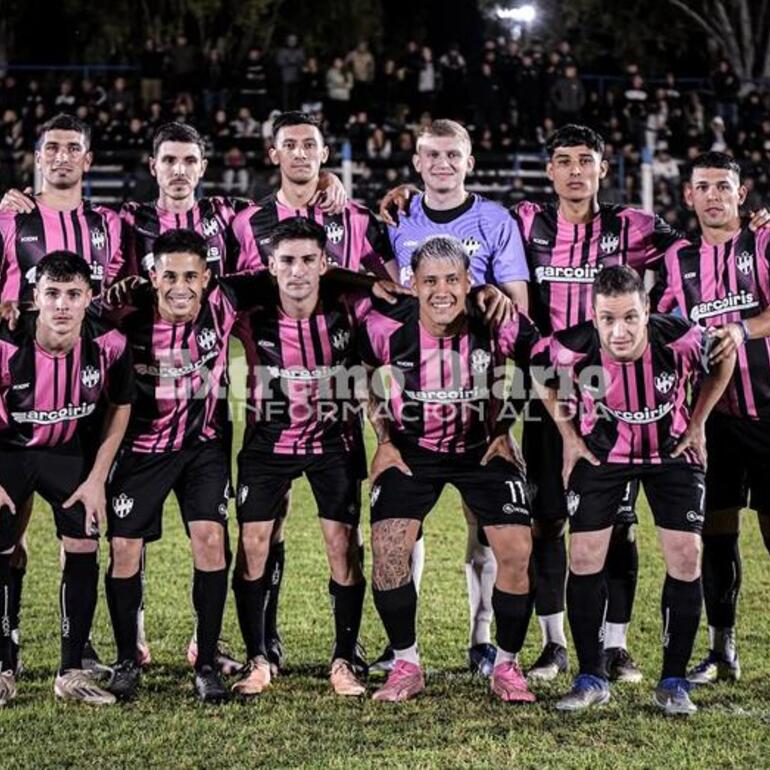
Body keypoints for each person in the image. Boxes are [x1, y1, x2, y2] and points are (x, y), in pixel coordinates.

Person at [230, 111, 398, 675]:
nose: (300, 153)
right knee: (261, 534)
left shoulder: (357, 218)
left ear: (325, 154)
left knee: (341, 541)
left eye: (311, 145)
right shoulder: (245, 223)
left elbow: (383, 285)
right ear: (272, 154)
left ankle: (345, 655)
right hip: (268, 419)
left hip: (335, 423)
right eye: (289, 145)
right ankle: (262, 647)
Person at [532, 265, 735, 715]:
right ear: (594, 316)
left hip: (671, 452)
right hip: (604, 456)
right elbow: (540, 373)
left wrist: (698, 421)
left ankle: (673, 682)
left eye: (629, 318)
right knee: (584, 557)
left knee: (686, 555)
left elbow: (725, 357)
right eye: (607, 319)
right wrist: (568, 437)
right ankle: (590, 677)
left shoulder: (680, 337)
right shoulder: (572, 346)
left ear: (647, 312)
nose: (618, 331)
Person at [376, 118, 530, 678]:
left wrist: (503, 419)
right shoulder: (397, 217)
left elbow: (516, 312)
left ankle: (482, 637)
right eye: (432, 155)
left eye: (453, 155)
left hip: (480, 400)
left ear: (469, 161)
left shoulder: (495, 219)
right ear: (417, 162)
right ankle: (404, 655)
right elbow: (388, 304)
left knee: (484, 526)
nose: (443, 164)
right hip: (418, 405)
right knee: (400, 527)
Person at [360, 235, 539, 703]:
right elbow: (357, 370)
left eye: (453, 280)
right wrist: (382, 438)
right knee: (390, 545)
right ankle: (406, 663)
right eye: (431, 281)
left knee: (518, 549)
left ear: (469, 282)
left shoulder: (496, 322)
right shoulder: (384, 327)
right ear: (413, 285)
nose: (443, 291)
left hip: (481, 449)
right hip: (411, 448)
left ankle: (506, 665)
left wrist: (506, 426)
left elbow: (541, 364)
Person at [103, 228, 276, 704]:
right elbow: (74, 313)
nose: (181, 286)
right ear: (153, 277)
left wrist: (376, 285)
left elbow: (291, 271)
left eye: (191, 276)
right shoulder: (126, 316)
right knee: (123, 547)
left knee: (211, 539)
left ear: (207, 279)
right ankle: (124, 660)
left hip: (203, 448)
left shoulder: (224, 301)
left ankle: (205, 665)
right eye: (170, 275)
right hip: (141, 449)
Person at [0, 113, 123, 676]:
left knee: (90, 527)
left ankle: (85, 651)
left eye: (74, 148)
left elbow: (123, 292)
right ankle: (9, 643)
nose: (62, 157)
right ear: (37, 157)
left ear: (88, 160)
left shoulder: (109, 224)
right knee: (10, 530)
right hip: (17, 393)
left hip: (84, 393)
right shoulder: (10, 218)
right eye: (52, 147)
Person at [230, 217, 374, 697]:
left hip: (334, 443)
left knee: (342, 547)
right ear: (270, 265)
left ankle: (344, 659)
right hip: (266, 445)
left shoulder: (349, 310)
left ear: (324, 264)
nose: (297, 271)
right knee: (253, 546)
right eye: (287, 260)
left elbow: (392, 304)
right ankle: (258, 658)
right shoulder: (249, 315)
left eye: (308, 260)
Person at [655, 152, 770, 684]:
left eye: (724, 186)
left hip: (767, 415)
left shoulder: (764, 241)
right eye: (704, 187)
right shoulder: (677, 260)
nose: (715, 196)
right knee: (716, 537)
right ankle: (723, 651)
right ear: (689, 196)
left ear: (741, 195)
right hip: (711, 420)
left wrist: (744, 330)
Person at [0, 251, 133, 706]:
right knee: (2, 544)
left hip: (68, 455)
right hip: (9, 453)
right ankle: (3, 665)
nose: (62, 305)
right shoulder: (5, 344)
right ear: (35, 297)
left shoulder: (109, 344)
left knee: (83, 543)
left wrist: (97, 477)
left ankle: (71, 670)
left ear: (89, 297)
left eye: (73, 295)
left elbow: (121, 406)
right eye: (52, 294)